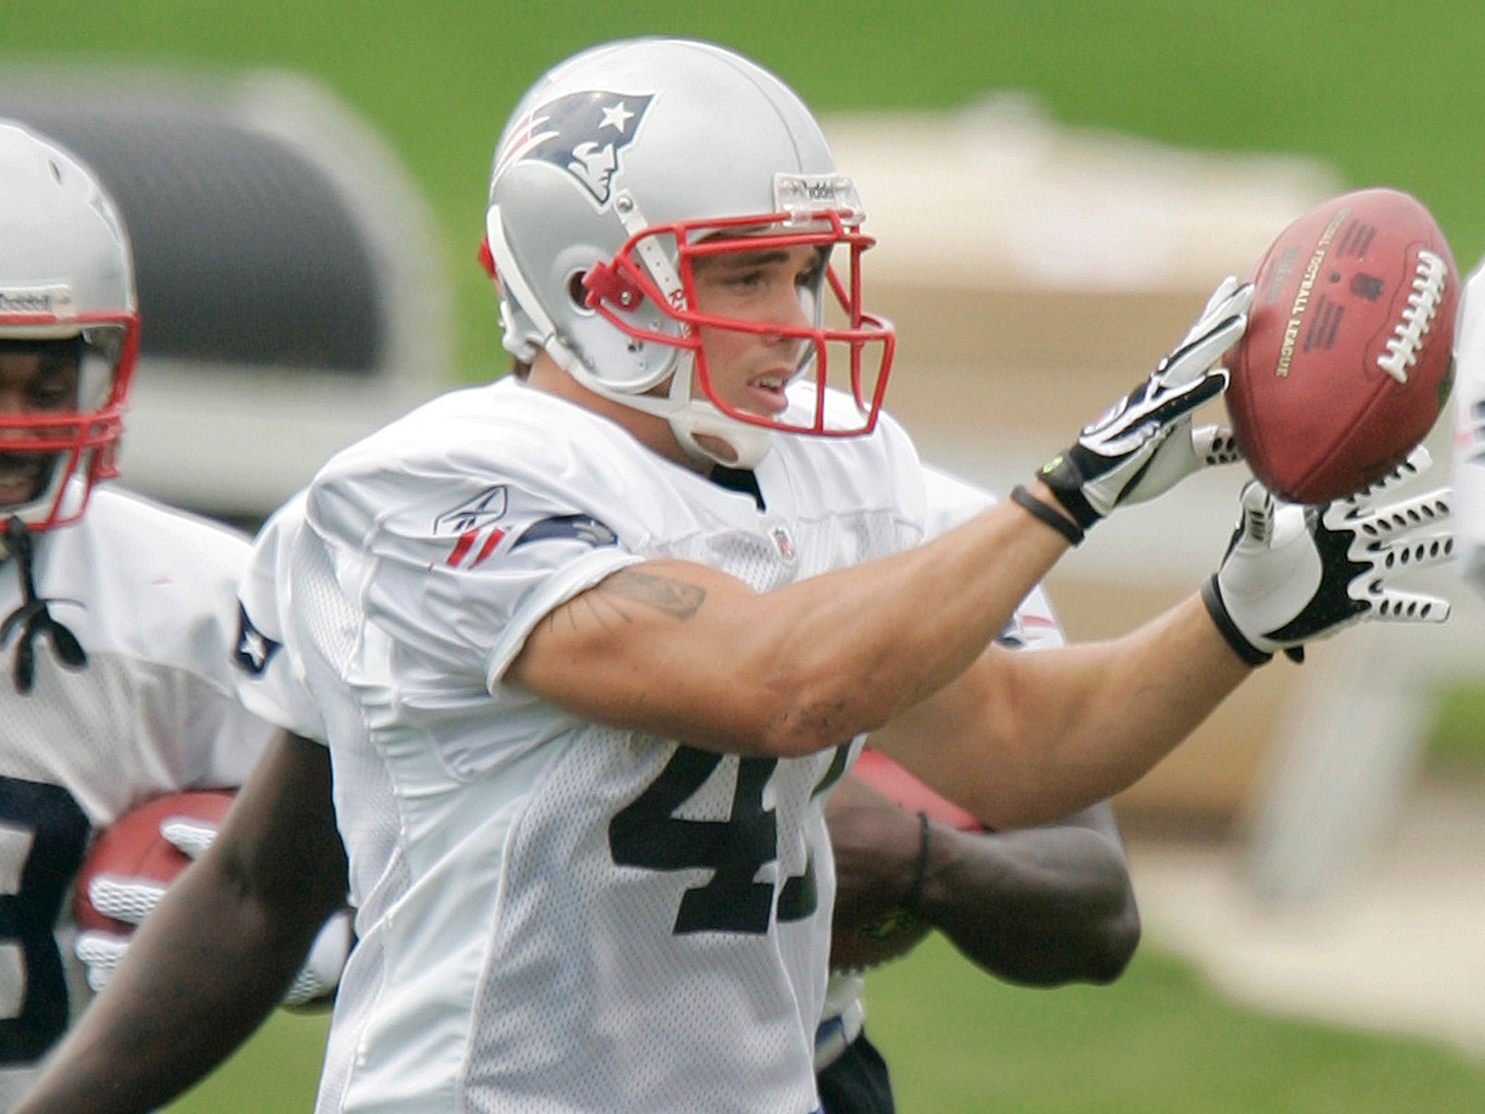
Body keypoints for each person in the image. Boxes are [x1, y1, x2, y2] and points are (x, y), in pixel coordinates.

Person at [13, 36, 1452, 1114]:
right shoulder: (429, 491)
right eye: (744, 274)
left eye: (806, 268)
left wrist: (1229, 619)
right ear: (593, 286)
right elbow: (774, 683)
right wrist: (1075, 485)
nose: (794, 316)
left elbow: (1018, 748)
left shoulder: (838, 466)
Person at [0, 118, 312, 1109]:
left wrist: (302, 923)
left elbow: (413, 837)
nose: (19, 424)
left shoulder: (186, 606)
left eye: (48, 381)